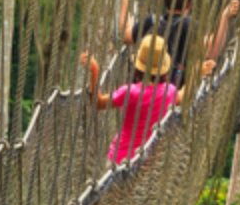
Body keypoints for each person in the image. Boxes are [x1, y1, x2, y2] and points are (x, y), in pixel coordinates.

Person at [80, 38, 213, 163]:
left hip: (119, 160)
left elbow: (97, 103)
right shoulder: (169, 92)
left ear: (138, 66)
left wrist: (94, 71)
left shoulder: (129, 92)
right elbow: (185, 94)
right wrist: (197, 72)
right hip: (148, 163)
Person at [119, 0, 240, 86]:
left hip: (141, 94)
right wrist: (225, 17)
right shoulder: (189, 25)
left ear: (165, 1)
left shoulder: (151, 21)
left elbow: (126, 35)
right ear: (189, 5)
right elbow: (212, 51)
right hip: (170, 98)